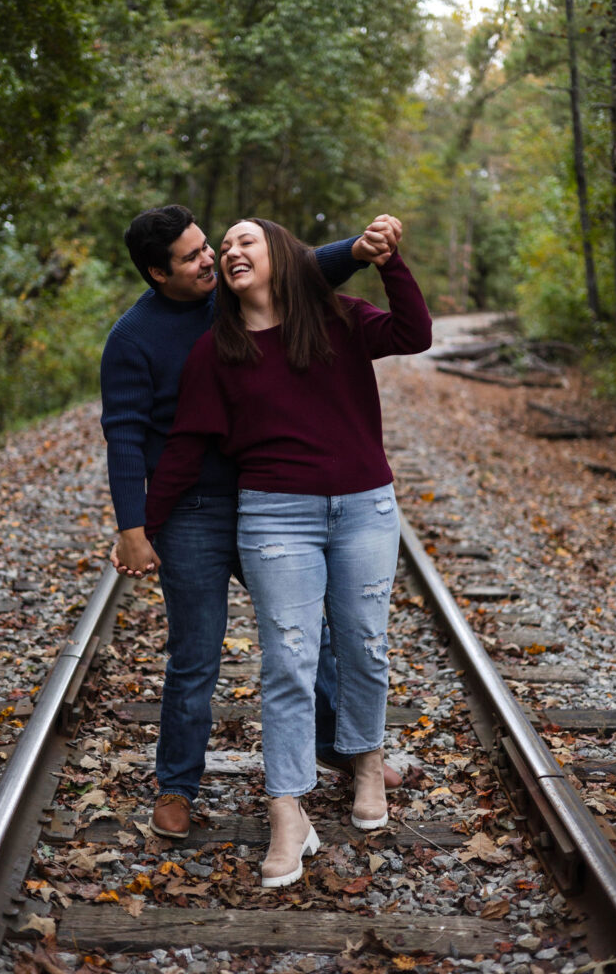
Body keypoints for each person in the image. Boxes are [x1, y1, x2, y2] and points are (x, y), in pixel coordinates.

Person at [144, 216, 432, 887]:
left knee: (363, 642)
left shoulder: (337, 317)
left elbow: (413, 334)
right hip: (275, 517)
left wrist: (389, 261)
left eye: (245, 240)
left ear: (282, 255)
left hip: (365, 508)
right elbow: (186, 444)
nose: (229, 251)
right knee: (288, 661)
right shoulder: (216, 351)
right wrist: (145, 527)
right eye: (223, 248)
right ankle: (286, 809)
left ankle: (364, 762)